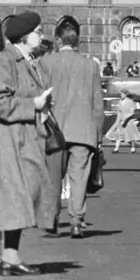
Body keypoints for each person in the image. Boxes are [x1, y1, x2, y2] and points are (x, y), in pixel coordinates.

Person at [0, 11, 54, 276]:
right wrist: (34, 104)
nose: (41, 35)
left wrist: (43, 107)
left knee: (24, 194)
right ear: (24, 36)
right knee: (13, 195)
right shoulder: (4, 60)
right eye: (37, 31)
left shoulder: (30, 62)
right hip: (5, 141)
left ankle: (8, 255)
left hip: (25, 139)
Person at [41, 16, 103, 239]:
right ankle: (76, 221)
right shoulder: (91, 65)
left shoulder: (46, 63)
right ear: (77, 41)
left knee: (53, 177)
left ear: (58, 40)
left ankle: (52, 221)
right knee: (79, 177)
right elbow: (98, 104)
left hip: (54, 130)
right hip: (84, 130)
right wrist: (98, 136)